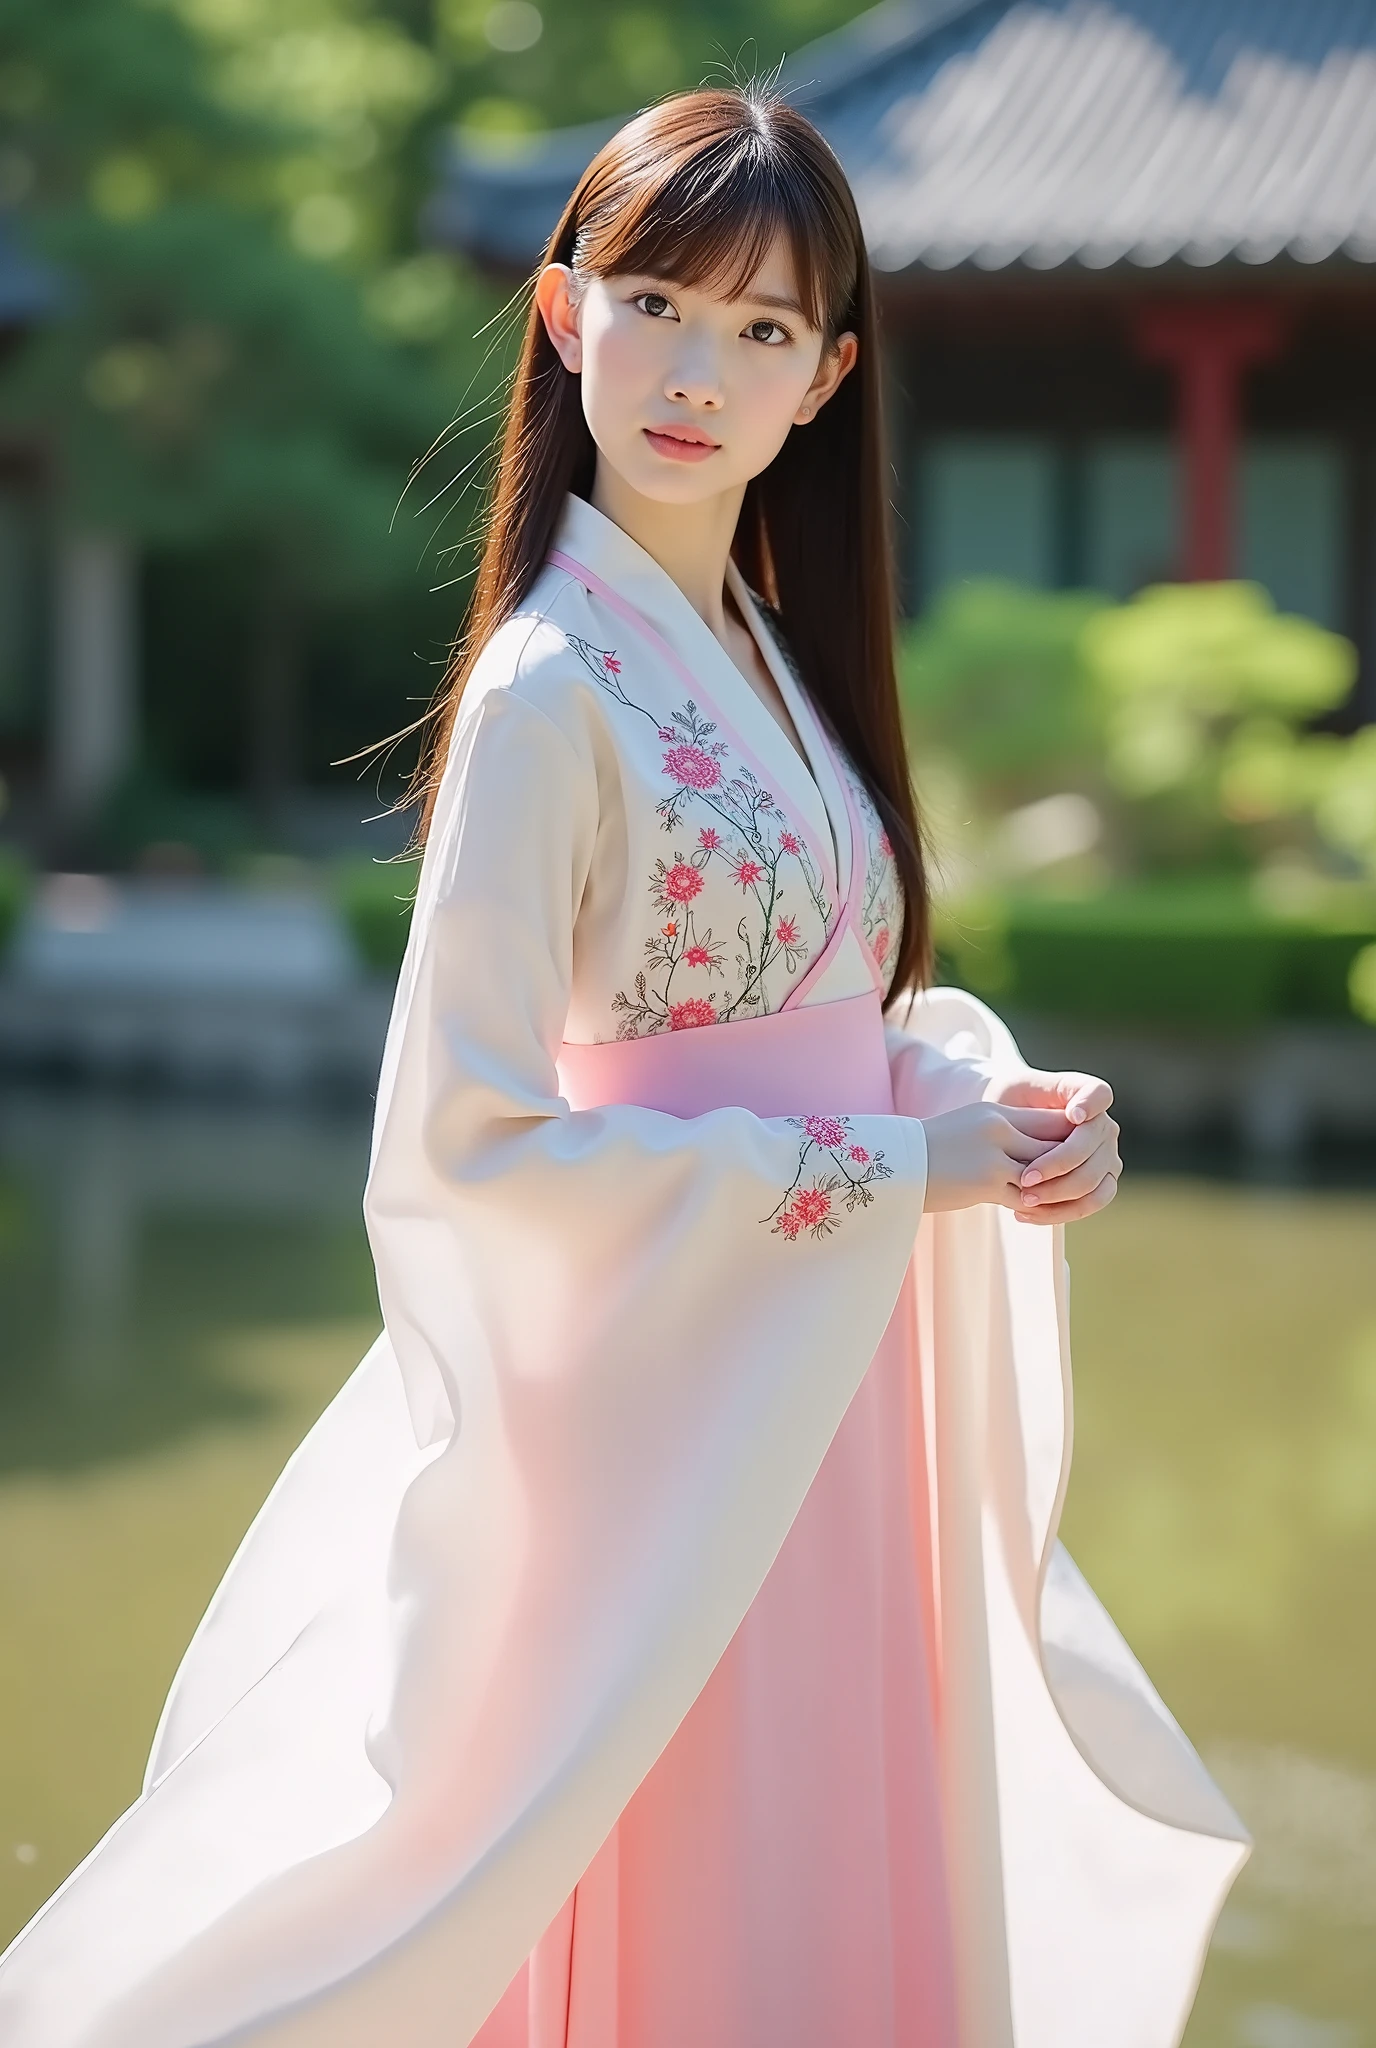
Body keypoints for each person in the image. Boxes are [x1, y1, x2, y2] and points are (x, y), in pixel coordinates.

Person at [0, 86, 1247, 2048]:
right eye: (662, 306)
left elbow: (842, 1020)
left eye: (763, 331)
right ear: (568, 318)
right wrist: (900, 1169)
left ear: (828, 379)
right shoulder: (547, 695)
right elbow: (469, 1149)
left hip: (818, 1392)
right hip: (667, 1425)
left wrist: (980, 1118)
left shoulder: (762, 647)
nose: (699, 371)